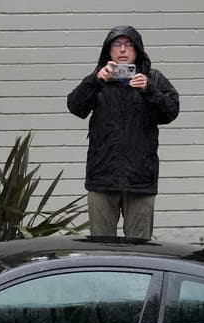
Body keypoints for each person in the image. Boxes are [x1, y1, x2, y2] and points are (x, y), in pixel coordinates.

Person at [67, 25, 179, 240]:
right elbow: (75, 107)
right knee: (101, 247)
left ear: (137, 50)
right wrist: (95, 81)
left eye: (128, 45)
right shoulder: (98, 79)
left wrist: (149, 90)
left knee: (140, 249)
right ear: (108, 51)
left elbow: (170, 112)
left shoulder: (153, 79)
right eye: (117, 45)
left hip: (140, 179)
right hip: (102, 178)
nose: (123, 50)